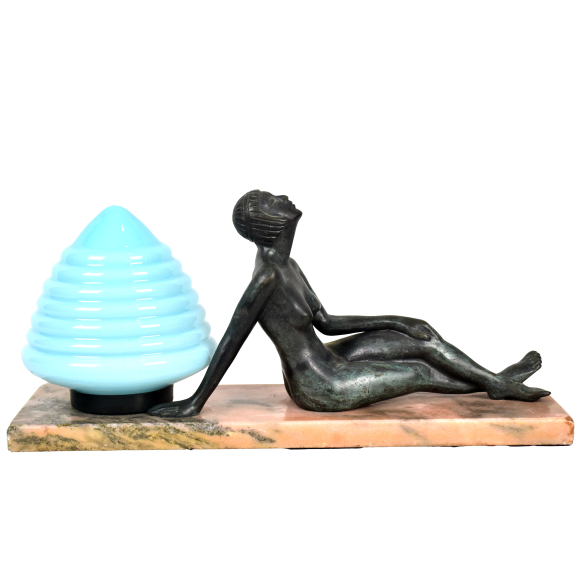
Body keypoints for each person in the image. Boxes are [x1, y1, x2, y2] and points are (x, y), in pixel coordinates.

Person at [149, 190, 548, 417]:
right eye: (271, 201)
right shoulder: (266, 278)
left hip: (329, 355)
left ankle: (495, 381)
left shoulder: (288, 265)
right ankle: (498, 384)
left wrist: (398, 320)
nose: (282, 197)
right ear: (265, 224)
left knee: (418, 339)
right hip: (318, 384)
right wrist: (195, 402)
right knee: (417, 372)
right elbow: (232, 340)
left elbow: (325, 322)